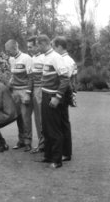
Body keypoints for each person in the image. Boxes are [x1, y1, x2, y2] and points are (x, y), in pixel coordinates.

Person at [36, 35, 70, 169]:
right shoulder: (45, 57)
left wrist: (57, 97)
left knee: (54, 128)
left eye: (38, 45)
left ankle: (57, 160)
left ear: (43, 44)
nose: (37, 48)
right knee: (46, 127)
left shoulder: (56, 57)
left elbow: (65, 79)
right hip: (45, 95)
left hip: (52, 96)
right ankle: (48, 156)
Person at [5, 39, 33, 152]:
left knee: (26, 117)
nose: (7, 53)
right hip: (15, 91)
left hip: (24, 91)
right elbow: (13, 74)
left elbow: (31, 78)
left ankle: (28, 142)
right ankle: (21, 140)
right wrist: (10, 81)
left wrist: (27, 94)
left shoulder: (27, 58)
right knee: (18, 117)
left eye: (8, 51)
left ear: (15, 48)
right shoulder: (11, 59)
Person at [52, 36, 77, 162]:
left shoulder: (65, 60)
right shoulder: (64, 59)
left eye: (53, 46)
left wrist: (59, 96)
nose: (52, 49)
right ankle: (63, 150)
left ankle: (66, 152)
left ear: (59, 47)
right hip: (63, 93)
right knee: (62, 122)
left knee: (63, 123)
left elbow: (65, 80)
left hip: (63, 94)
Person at [27, 36, 45, 154]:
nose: (29, 49)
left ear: (37, 46)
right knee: (36, 118)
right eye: (27, 47)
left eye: (31, 47)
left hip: (41, 89)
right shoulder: (32, 58)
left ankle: (44, 144)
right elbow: (30, 77)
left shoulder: (44, 58)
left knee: (41, 118)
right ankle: (41, 142)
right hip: (34, 89)